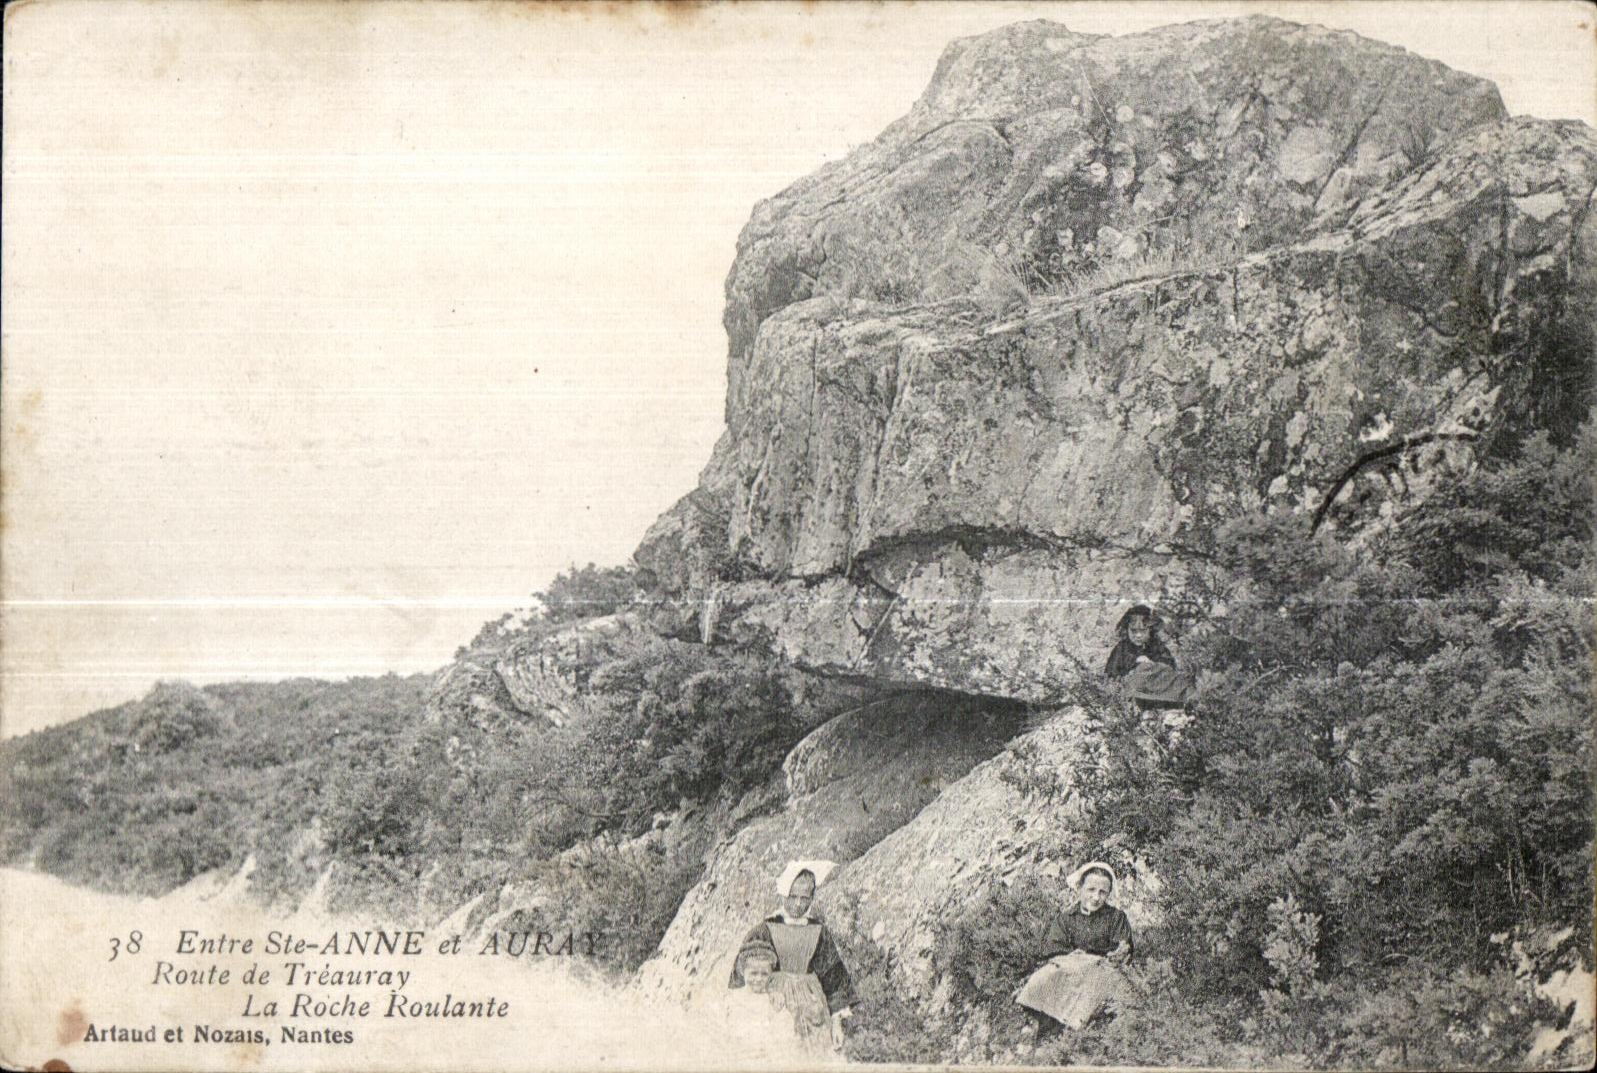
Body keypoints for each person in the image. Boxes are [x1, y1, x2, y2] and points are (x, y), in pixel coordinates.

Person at [728, 860, 856, 1054]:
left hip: (812, 1005)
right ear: (783, 893)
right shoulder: (765, 929)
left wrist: (836, 1023)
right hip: (774, 1003)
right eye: (793, 896)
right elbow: (744, 970)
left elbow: (834, 978)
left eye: (805, 898)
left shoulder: (818, 931)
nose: (798, 903)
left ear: (812, 898)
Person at [1015, 862, 1137, 1031]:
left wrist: (1119, 952)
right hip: (1071, 973)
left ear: (1108, 894)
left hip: (1101, 975)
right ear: (1080, 887)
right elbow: (1054, 948)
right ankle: (1046, 1026)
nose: (1096, 897)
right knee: (1046, 976)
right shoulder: (1066, 918)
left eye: (1102, 892)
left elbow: (1124, 948)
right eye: (1091, 890)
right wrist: (1074, 957)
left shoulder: (1116, 918)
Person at [1104, 604, 1198, 710]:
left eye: (1143, 631)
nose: (1138, 635)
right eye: (1134, 631)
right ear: (1127, 629)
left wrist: (1153, 665)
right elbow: (1111, 673)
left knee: (1181, 681)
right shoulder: (1122, 647)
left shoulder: (1156, 644)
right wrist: (1134, 663)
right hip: (1135, 688)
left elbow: (1169, 667)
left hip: (1158, 687)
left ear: (1150, 630)